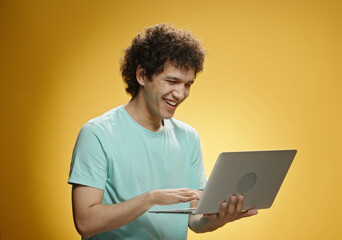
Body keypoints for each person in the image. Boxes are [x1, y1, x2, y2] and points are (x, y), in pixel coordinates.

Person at [68, 23, 257, 240]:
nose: (180, 94)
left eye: (188, 85)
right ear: (141, 75)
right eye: (171, 81)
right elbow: (85, 222)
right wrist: (151, 199)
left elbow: (195, 220)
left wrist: (218, 219)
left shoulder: (188, 137)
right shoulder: (97, 134)